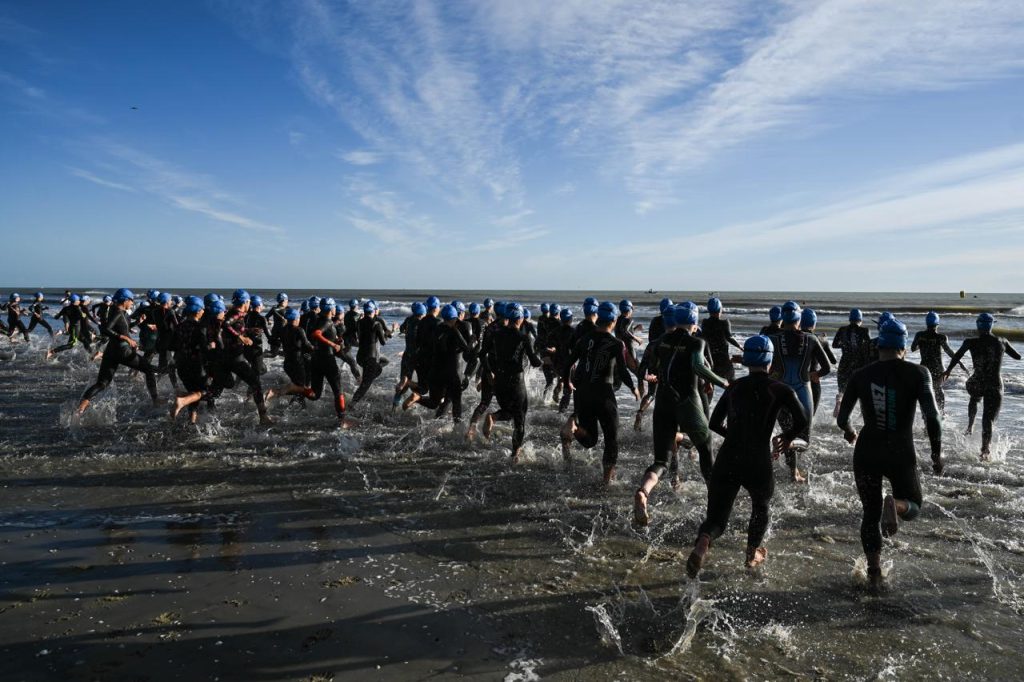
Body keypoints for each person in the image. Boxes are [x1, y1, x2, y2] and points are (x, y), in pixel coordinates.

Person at [686, 336, 809, 577]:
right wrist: (786, 437)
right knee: (761, 506)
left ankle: (703, 541)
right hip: (758, 459)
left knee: (717, 519)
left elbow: (714, 423)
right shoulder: (780, 389)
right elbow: (802, 419)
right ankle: (751, 554)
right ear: (770, 360)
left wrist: (734, 435)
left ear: (747, 360)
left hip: (728, 456)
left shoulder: (734, 387)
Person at [836, 318, 942, 589]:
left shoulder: (861, 374)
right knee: (914, 505)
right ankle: (895, 504)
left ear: (880, 345)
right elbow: (932, 417)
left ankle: (874, 572)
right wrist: (936, 453)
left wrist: (849, 431)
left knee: (870, 513)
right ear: (903, 347)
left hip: (867, 451)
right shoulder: (919, 373)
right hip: (900, 452)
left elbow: (842, 418)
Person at [634, 304, 728, 525]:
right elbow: (698, 366)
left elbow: (651, 367)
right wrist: (722, 382)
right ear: (694, 322)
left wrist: (650, 376)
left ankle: (643, 492)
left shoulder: (660, 341)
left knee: (661, 461)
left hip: (663, 403)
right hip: (687, 402)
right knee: (705, 448)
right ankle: (715, 501)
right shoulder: (697, 342)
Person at [560, 301, 638, 485]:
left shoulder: (584, 339)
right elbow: (623, 370)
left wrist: (567, 382)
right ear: (613, 321)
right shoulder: (616, 343)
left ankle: (573, 427)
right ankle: (606, 481)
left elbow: (568, 363)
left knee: (590, 440)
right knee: (612, 439)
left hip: (583, 393)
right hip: (604, 395)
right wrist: (633, 387)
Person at [943, 313, 1021, 459]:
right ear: (991, 325)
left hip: (977, 382)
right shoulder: (1002, 341)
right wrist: (1003, 348)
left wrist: (948, 371)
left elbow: (957, 356)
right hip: (994, 384)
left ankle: (970, 425)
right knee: (988, 420)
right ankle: (985, 450)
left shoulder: (970, 342)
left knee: (974, 398)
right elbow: (1018, 357)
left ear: (978, 325)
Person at [767, 301, 829, 483]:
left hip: (779, 392)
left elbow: (765, 367)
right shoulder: (811, 339)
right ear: (799, 319)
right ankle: (788, 447)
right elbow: (826, 367)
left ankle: (793, 472)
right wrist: (815, 375)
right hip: (802, 390)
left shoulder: (772, 339)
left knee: (787, 430)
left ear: (782, 318)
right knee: (802, 440)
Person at [476, 302, 543, 462]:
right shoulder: (523, 337)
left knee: (508, 410)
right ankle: (515, 454)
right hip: (516, 383)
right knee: (520, 419)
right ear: (520, 318)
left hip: (499, 381)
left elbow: (481, 354)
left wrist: (489, 372)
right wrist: (544, 354)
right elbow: (534, 362)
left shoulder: (496, 334)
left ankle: (493, 416)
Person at [77, 289, 160, 414]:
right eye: (131, 300)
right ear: (125, 300)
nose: (132, 303)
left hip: (111, 351)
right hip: (122, 350)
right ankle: (156, 401)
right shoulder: (117, 312)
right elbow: (106, 329)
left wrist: (138, 322)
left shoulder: (120, 312)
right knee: (148, 370)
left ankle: (80, 409)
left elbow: (124, 328)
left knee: (102, 383)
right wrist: (126, 338)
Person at [405, 304, 469, 423]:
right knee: (456, 401)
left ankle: (418, 398)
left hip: (435, 371)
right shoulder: (454, 331)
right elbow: (466, 348)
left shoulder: (436, 329)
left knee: (434, 402)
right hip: (451, 372)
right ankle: (457, 428)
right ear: (454, 318)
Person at [169, 296, 209, 423]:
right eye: (202, 309)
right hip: (195, 365)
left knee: (193, 392)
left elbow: (172, 345)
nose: (203, 311)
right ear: (197, 311)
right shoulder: (200, 327)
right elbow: (204, 348)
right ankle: (182, 401)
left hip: (181, 364)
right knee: (205, 391)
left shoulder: (179, 326)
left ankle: (191, 420)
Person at [911, 312, 961, 411]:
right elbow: (949, 351)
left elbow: (913, 348)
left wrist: (922, 343)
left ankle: (925, 414)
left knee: (925, 391)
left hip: (924, 368)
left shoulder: (919, 335)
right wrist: (959, 362)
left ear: (926, 323)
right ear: (937, 323)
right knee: (938, 389)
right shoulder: (942, 337)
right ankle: (941, 413)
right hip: (938, 368)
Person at [351, 300, 394, 405]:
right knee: (365, 385)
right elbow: (383, 342)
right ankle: (351, 404)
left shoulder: (359, 322)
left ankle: (366, 380)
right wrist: (390, 332)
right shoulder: (376, 324)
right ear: (374, 311)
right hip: (371, 358)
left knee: (378, 369)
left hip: (360, 356)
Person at [832, 309, 872, 418]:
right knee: (861, 392)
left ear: (850, 319)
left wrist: (845, 345)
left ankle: (839, 403)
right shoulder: (865, 330)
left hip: (844, 364)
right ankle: (861, 417)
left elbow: (834, 345)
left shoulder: (842, 329)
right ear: (860, 319)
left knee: (842, 391)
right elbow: (869, 346)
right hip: (859, 365)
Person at [800, 308, 836, 414]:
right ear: (814, 323)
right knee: (810, 416)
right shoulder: (821, 340)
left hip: (796, 379)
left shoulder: (794, 338)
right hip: (813, 380)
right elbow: (833, 361)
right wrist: (824, 342)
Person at [700, 297, 743, 385]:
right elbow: (729, 337)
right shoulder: (724, 323)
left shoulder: (705, 323)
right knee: (732, 382)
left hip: (710, 358)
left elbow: (703, 338)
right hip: (723, 358)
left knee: (710, 383)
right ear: (720, 309)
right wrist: (740, 346)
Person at [394, 301, 427, 406]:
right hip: (417, 357)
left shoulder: (408, 320)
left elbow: (401, 329)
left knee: (403, 384)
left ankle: (395, 405)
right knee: (423, 387)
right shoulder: (422, 323)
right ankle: (410, 390)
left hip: (407, 354)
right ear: (422, 313)